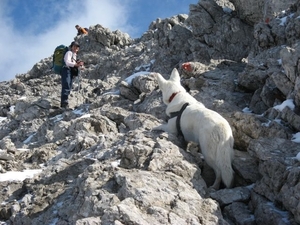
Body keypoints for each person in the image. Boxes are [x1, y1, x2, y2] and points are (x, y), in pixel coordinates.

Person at [60, 41, 84, 108]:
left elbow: (76, 65)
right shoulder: (69, 53)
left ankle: (65, 102)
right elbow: (67, 62)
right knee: (66, 84)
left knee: (69, 86)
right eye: (74, 46)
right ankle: (64, 103)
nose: (76, 48)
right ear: (71, 47)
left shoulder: (75, 56)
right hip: (66, 69)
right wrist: (76, 64)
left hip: (70, 72)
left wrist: (80, 66)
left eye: (77, 46)